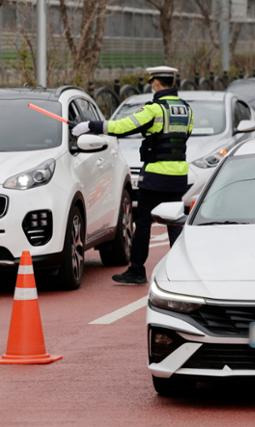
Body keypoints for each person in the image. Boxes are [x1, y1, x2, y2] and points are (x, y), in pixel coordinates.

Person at [72, 66, 194, 284]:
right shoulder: (186, 110)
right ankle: (182, 270)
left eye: (151, 82)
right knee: (174, 223)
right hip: (179, 176)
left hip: (156, 176)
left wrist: (91, 125)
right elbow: (185, 136)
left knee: (144, 222)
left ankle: (137, 270)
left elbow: (122, 127)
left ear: (156, 83)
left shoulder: (155, 109)